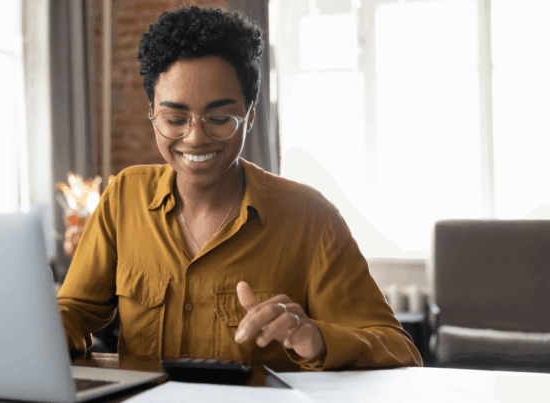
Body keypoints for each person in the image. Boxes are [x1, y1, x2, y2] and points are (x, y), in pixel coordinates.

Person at [57, 5, 422, 370]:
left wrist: (316, 338)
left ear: (249, 116)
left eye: (219, 118)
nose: (195, 137)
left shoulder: (311, 219)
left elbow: (399, 350)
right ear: (152, 114)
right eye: (174, 118)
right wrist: (43, 329)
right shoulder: (124, 197)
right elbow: (75, 311)